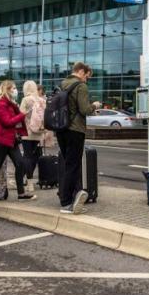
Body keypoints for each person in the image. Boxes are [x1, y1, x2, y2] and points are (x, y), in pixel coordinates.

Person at [0, 80, 36, 202]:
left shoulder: (10, 104)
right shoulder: (1, 104)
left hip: (11, 139)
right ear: (7, 90)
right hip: (2, 139)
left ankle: (21, 193)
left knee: (20, 164)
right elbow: (7, 122)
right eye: (13, 88)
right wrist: (22, 115)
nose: (15, 90)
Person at [57, 62, 102, 214]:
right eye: (87, 76)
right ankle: (66, 202)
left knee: (69, 164)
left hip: (61, 129)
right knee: (73, 165)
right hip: (75, 129)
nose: (86, 80)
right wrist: (94, 105)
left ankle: (76, 196)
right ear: (81, 71)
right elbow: (84, 109)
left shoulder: (62, 83)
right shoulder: (80, 86)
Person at [20, 80, 45, 193]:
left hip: (27, 132)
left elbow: (20, 115)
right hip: (38, 132)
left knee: (27, 156)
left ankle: (29, 182)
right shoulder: (41, 100)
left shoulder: (26, 100)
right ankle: (29, 180)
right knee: (34, 157)